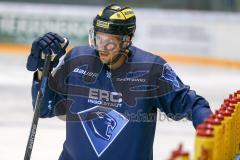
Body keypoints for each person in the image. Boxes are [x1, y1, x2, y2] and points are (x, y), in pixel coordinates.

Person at [26, 4, 212, 160]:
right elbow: (44, 108)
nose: (102, 48)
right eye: (98, 38)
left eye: (109, 42)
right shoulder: (77, 60)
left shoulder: (151, 70)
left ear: (126, 41)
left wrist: (210, 132)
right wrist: (43, 70)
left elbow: (192, 105)